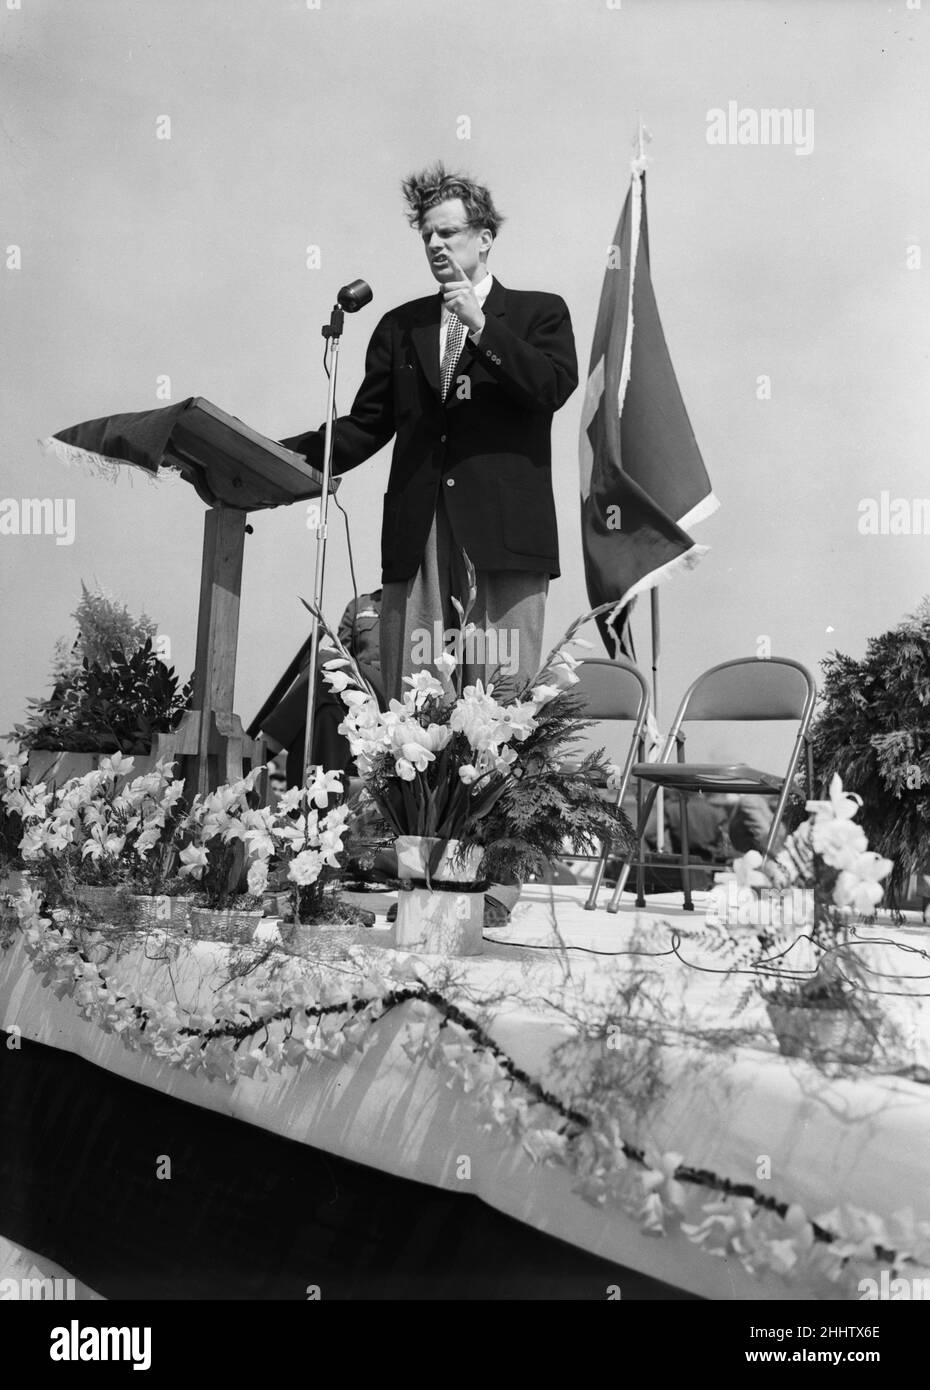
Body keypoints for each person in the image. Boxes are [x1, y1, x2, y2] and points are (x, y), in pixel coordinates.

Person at [280, 161, 578, 704]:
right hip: (420, 530)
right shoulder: (400, 325)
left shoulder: (540, 314)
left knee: (500, 705)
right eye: (427, 236)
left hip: (505, 535)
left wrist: (482, 326)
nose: (436, 245)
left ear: (485, 237)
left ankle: (497, 793)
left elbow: (550, 388)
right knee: (418, 703)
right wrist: (274, 456)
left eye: (448, 232)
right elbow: (366, 426)